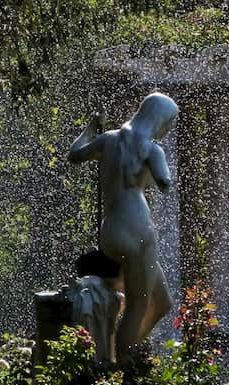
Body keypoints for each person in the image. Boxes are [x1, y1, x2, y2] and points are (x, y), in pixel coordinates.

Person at [68, 92, 179, 363]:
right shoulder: (152, 148)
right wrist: (157, 168)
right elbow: (165, 182)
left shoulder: (107, 139)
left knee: (162, 302)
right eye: (169, 123)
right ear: (159, 119)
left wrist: (91, 129)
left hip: (111, 231)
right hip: (138, 232)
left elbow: (75, 155)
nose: (168, 129)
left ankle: (123, 350)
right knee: (137, 307)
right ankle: (123, 367)